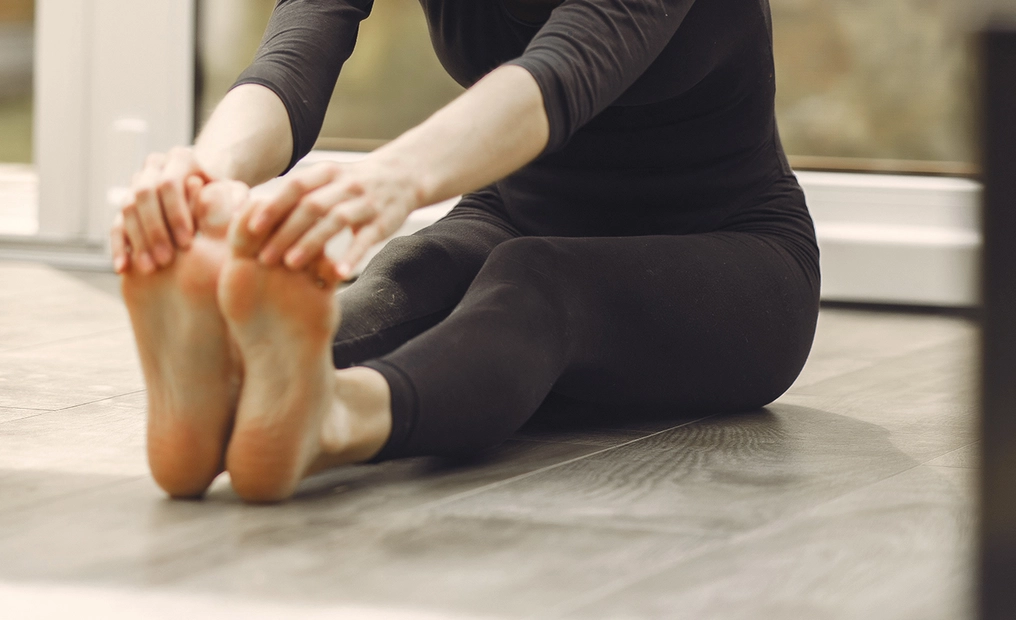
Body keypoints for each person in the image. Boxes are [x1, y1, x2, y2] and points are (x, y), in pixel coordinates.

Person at [119, 0, 819, 502]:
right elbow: (296, 52)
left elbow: (566, 69)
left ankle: (335, 416)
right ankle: (232, 380)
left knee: (535, 281)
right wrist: (203, 184)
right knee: (411, 269)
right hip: (513, 212)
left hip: (733, 256)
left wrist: (392, 177)